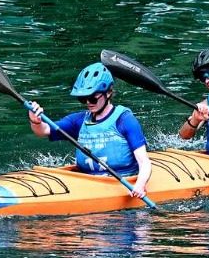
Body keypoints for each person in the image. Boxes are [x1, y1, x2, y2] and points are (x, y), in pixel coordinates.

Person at [28, 62, 153, 199]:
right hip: (87, 181)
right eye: (83, 99)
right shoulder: (79, 120)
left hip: (124, 178)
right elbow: (43, 130)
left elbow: (144, 162)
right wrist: (35, 120)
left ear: (109, 92)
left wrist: (140, 184)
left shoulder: (125, 120)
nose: (88, 102)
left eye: (93, 97)